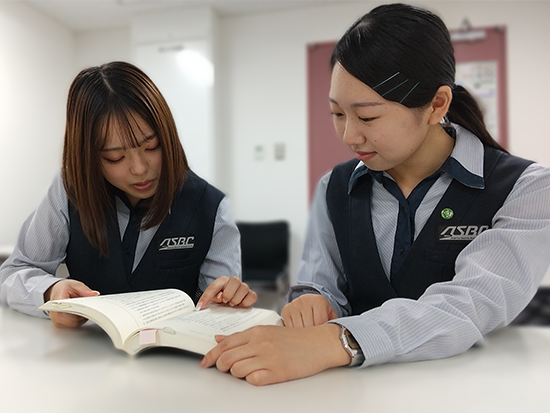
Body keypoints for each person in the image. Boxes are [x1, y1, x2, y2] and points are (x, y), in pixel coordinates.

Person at [201, 3, 550, 385]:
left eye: (368, 117)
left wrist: (339, 341)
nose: (350, 135)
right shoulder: (335, 187)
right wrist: (312, 303)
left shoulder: (526, 188)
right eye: (337, 113)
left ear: (437, 105)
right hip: (354, 393)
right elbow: (318, 283)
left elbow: (470, 304)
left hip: (471, 391)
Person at [0, 61, 255, 328]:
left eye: (152, 146)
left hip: (174, 363)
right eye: (115, 157)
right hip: (84, 359)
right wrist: (51, 292)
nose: (140, 169)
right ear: (88, 157)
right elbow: (14, 273)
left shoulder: (210, 207)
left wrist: (226, 303)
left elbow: (218, 311)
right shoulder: (70, 189)